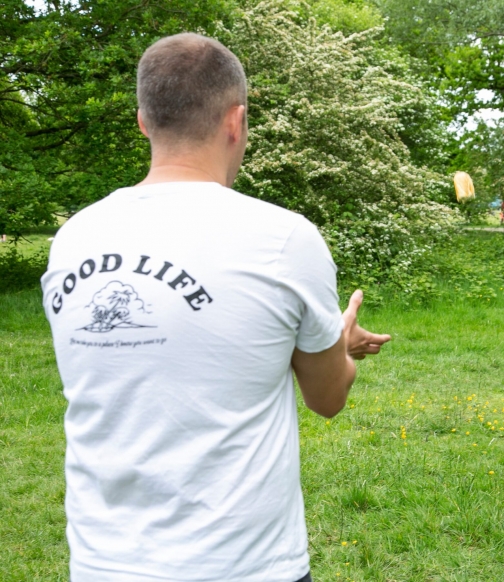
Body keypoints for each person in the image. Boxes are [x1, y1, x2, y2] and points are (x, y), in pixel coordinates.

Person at [41, 33, 390, 582]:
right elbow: (327, 397)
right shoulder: (282, 238)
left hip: (102, 563)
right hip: (245, 566)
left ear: (143, 121)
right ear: (236, 121)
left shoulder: (73, 239)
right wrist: (336, 343)